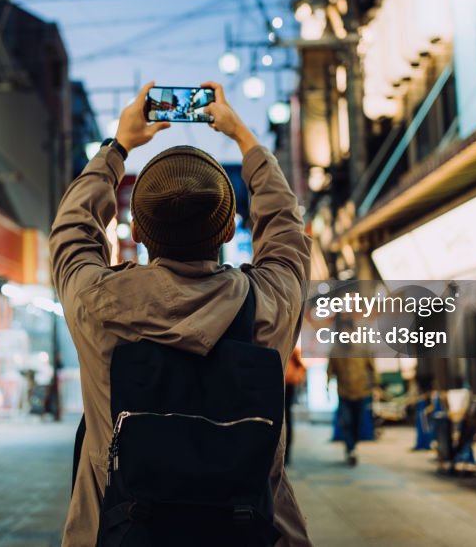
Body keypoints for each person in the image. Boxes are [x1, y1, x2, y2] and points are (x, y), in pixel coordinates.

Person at [50, 81, 312, 546]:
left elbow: (73, 228)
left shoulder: (99, 304)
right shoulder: (268, 304)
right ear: (230, 228)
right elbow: (285, 228)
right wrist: (243, 139)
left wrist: (119, 146)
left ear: (140, 231)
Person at [327, 351, 377, 466]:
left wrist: (375, 385)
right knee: (346, 421)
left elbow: (371, 367)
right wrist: (327, 386)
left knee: (357, 422)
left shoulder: (363, 348)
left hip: (361, 392)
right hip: (344, 393)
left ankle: (352, 445)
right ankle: (351, 448)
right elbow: (330, 370)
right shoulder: (336, 349)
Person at [284, 347, 306, 465]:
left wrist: (295, 377)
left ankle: (286, 454)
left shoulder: (293, 350)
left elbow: (302, 366)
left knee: (286, 417)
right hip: (276, 382)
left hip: (288, 384)